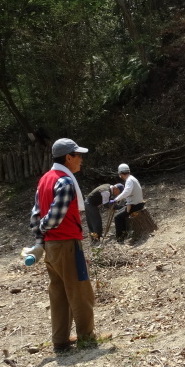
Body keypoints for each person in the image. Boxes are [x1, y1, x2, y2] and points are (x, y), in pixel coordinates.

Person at [30, 138, 96, 352]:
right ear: (68, 157)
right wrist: (45, 226)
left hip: (51, 246)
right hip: (67, 243)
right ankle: (87, 337)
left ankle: (60, 341)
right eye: (78, 155)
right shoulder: (65, 182)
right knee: (80, 291)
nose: (81, 160)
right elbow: (53, 217)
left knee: (58, 293)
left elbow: (35, 215)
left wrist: (40, 239)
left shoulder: (44, 180)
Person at [112, 163, 145, 243]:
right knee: (119, 214)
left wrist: (116, 199)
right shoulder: (131, 178)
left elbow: (126, 192)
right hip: (136, 203)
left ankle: (120, 237)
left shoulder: (129, 180)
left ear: (120, 174)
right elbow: (128, 193)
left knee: (117, 217)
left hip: (136, 205)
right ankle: (124, 233)